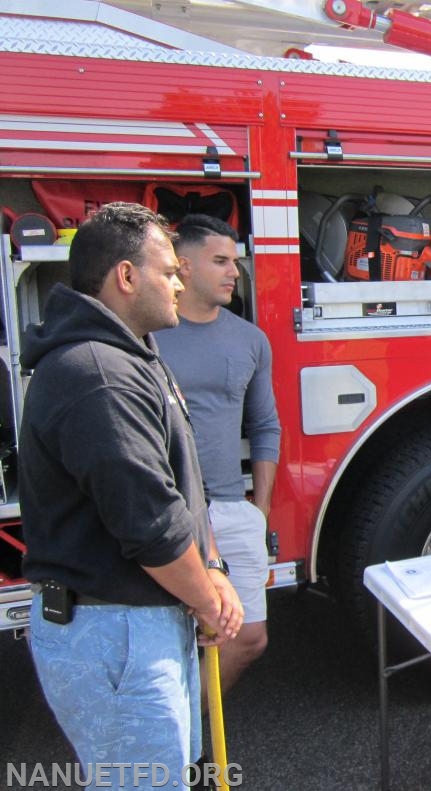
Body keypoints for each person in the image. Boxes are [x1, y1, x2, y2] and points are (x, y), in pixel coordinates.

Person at [20, 202, 242, 786]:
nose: (179, 282)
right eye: (168, 270)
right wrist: (207, 599)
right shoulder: (97, 375)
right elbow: (148, 522)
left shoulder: (131, 357)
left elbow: (178, 488)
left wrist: (211, 569)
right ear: (125, 276)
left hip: (142, 618)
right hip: (114, 631)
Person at [155, 214, 280, 695]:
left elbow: (265, 425)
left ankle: (197, 726)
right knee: (176, 633)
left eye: (236, 261)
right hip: (171, 510)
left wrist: (260, 510)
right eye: (221, 261)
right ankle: (180, 746)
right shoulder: (148, 336)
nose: (234, 271)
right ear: (183, 267)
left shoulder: (249, 339)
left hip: (231, 507)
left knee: (247, 637)